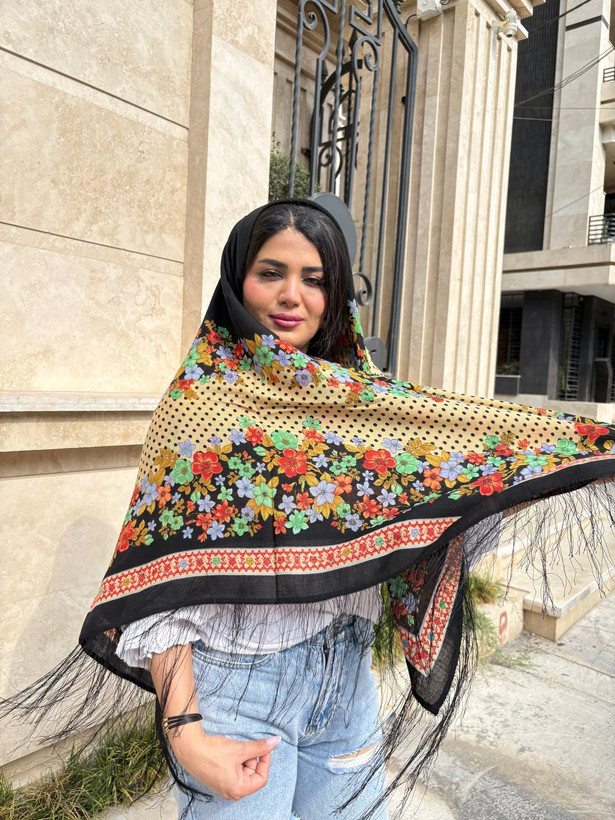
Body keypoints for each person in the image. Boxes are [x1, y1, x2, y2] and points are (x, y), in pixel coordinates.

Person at [4, 198, 615, 820]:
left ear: (336, 292)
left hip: (346, 684)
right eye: (270, 273)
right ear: (238, 281)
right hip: (237, 695)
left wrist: (531, 467)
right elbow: (165, 586)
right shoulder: (199, 407)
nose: (291, 296)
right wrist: (186, 735)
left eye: (314, 279)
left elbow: (447, 466)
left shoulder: (360, 404)